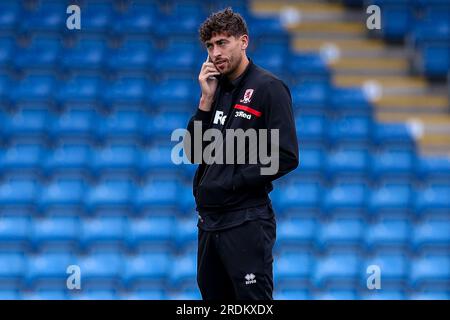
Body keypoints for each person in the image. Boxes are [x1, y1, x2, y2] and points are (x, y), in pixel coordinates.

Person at [184, 7, 299, 300]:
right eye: (210, 46)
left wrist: (234, 179)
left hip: (246, 221)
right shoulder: (215, 89)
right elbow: (193, 151)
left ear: (243, 41)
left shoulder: (269, 88)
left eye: (222, 43)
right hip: (209, 223)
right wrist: (205, 100)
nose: (215, 52)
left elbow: (286, 154)